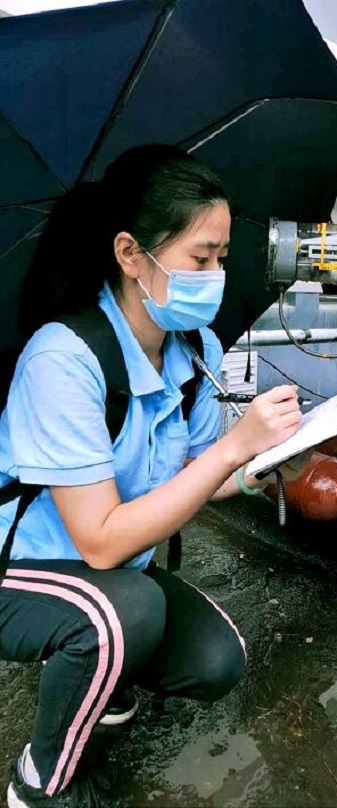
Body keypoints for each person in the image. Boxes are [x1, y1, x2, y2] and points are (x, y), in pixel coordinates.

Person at [0, 144, 305, 808]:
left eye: (223, 258)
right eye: (201, 258)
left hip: (110, 576)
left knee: (216, 659)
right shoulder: (63, 358)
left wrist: (258, 465)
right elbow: (101, 543)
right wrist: (232, 450)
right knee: (128, 612)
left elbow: (194, 475)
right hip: (21, 572)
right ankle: (40, 783)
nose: (216, 276)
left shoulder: (194, 350)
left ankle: (100, 675)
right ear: (131, 254)